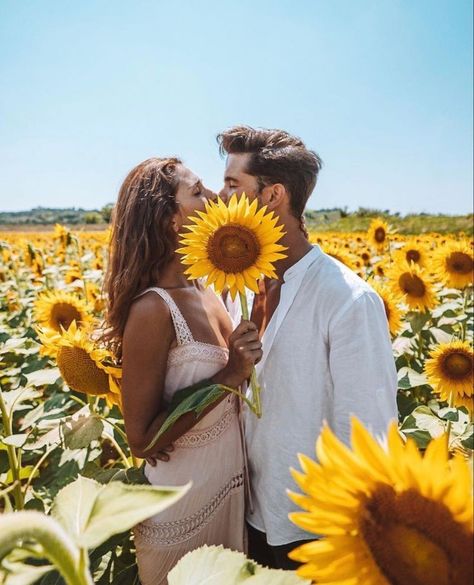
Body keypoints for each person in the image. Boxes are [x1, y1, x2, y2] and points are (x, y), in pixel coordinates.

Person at [217, 126, 398, 570]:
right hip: (245, 513)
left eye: (232, 185)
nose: (219, 197)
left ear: (273, 195)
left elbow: (369, 436)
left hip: (313, 530)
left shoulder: (348, 300)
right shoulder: (233, 288)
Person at [102, 157, 262, 585]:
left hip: (228, 489)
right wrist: (228, 376)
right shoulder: (154, 308)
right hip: (181, 506)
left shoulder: (207, 287)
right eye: (197, 191)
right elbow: (141, 439)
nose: (213, 197)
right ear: (170, 219)